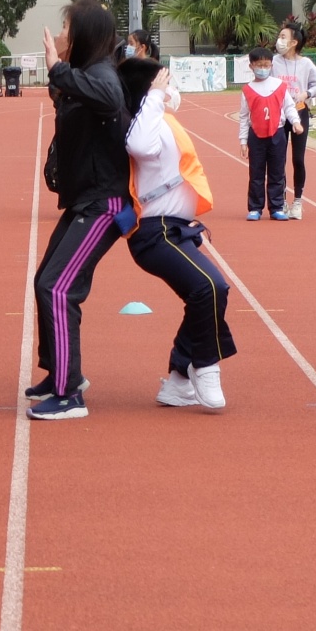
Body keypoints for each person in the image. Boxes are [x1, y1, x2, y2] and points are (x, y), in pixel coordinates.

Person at [28, 0, 131, 420]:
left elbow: (109, 98)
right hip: (83, 200)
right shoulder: (84, 74)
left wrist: (58, 68)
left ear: (83, 35)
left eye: (66, 28)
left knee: (58, 287)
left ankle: (69, 394)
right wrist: (61, 78)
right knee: (45, 281)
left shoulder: (103, 74)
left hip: (104, 204)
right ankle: (59, 371)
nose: (60, 34)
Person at [119, 55, 234, 411]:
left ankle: (179, 381)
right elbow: (139, 146)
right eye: (163, 83)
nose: (170, 89)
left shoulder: (159, 117)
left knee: (205, 294)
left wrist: (159, 97)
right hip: (156, 231)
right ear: (148, 90)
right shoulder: (142, 124)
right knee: (210, 286)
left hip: (177, 229)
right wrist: (155, 96)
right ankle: (205, 366)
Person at [238, 44, 300, 222]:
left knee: (277, 172)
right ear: (251, 66)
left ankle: (277, 207)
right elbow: (244, 117)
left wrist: (296, 122)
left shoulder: (279, 86)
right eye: (259, 65)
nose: (263, 69)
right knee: (256, 173)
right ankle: (255, 208)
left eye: (266, 65)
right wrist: (243, 141)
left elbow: (289, 107)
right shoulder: (247, 90)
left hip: (277, 134)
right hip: (256, 136)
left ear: (271, 65)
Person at [272, 22, 316, 219]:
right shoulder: (274, 62)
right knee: (279, 159)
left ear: (294, 42)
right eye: (279, 36)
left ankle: (297, 201)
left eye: (283, 37)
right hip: (279, 115)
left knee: (298, 158)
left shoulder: (306, 64)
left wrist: (307, 93)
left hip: (300, 112)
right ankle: (281, 201)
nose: (279, 40)